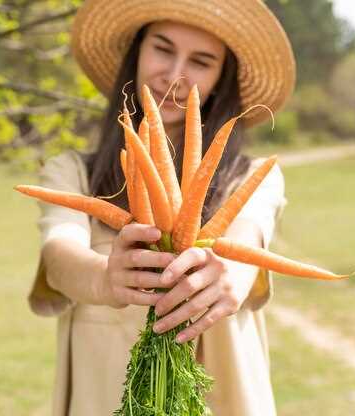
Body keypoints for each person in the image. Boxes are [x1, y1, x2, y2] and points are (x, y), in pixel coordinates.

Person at [27, 0, 295, 414]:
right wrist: (104, 277)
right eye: (163, 49)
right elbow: (60, 252)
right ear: (137, 52)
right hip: (104, 391)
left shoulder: (253, 176)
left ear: (221, 79)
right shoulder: (73, 172)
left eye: (202, 62)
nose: (174, 75)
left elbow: (246, 237)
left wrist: (229, 276)